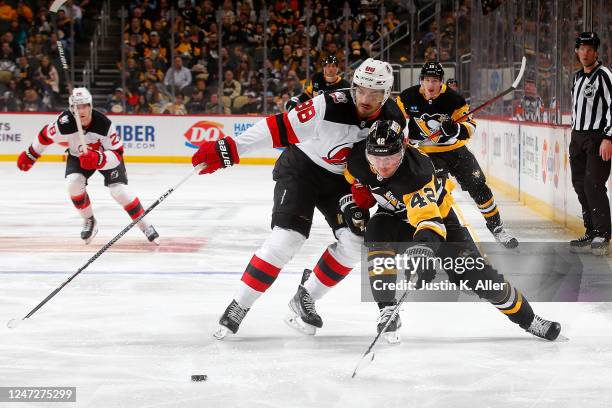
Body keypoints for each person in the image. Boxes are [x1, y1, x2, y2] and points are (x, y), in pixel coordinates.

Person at [191, 58, 403, 338]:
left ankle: (306, 296)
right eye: (360, 89)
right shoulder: (328, 104)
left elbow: (391, 166)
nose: (365, 98)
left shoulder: (396, 121)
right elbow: (277, 127)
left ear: (386, 94)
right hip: (301, 169)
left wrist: (368, 194)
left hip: (344, 182)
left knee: (355, 244)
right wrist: (230, 148)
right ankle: (239, 305)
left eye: (374, 93)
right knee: (287, 239)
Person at [344, 120, 561, 343]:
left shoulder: (416, 173)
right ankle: (388, 309)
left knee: (481, 278)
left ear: (404, 147)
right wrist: (350, 201)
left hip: (441, 223)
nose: (383, 166)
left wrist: (423, 251)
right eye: (376, 159)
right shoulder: (358, 159)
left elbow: (430, 222)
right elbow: (346, 180)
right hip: (394, 220)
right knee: (376, 230)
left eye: (390, 158)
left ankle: (530, 319)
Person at [397, 61, 518, 249]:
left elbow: (470, 127)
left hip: (455, 150)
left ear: (441, 82)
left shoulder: (454, 99)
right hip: (426, 154)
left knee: (479, 186)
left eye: (435, 81)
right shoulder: (408, 97)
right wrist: (403, 141)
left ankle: (497, 228)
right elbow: (398, 123)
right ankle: (435, 235)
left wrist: (454, 129)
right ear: (421, 81)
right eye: (427, 80)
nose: (430, 85)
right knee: (435, 194)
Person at [17, 87, 160, 245]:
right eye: (77, 107)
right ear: (72, 109)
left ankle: (146, 225)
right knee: (73, 184)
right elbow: (45, 135)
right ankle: (89, 220)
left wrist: (98, 158)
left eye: (84, 105)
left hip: (105, 156)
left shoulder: (104, 124)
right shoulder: (64, 122)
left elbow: (117, 153)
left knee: (119, 191)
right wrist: (31, 154)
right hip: (78, 156)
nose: (81, 110)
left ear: (91, 106)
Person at [569, 32, 612, 256]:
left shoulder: (604, 76)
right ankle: (591, 230)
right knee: (579, 184)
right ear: (577, 51)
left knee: (593, 185)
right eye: (581, 48)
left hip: (597, 138)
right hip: (578, 138)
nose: (585, 52)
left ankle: (603, 235)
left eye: (589, 48)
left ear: (596, 51)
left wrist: (609, 137)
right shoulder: (577, 77)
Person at [284, 55, 350, 111]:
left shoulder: (345, 85)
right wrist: (296, 100)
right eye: (328, 66)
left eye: (333, 66)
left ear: (337, 68)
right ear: (324, 68)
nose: (330, 69)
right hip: (317, 116)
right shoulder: (317, 78)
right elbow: (307, 95)